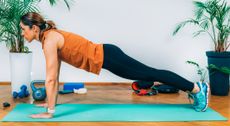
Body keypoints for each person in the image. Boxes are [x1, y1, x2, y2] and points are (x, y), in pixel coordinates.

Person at [20, 12, 209, 119]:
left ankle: (196, 88)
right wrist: (51, 103)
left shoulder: (50, 41)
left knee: (151, 74)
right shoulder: (49, 37)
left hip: (109, 57)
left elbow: (51, 78)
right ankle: (194, 88)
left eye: (23, 29)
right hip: (108, 55)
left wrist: (50, 112)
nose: (22, 34)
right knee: (150, 74)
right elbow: (55, 75)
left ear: (34, 28)